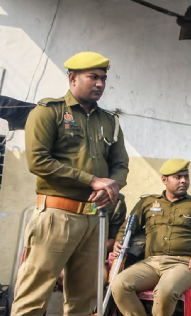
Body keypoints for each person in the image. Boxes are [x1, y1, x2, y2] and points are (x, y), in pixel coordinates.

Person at [12, 52, 129, 316]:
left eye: (103, 78)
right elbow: (39, 161)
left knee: (85, 302)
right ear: (73, 78)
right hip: (56, 216)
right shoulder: (48, 112)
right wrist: (93, 180)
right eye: (93, 77)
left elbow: (120, 165)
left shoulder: (109, 122)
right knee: (33, 297)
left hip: (94, 220)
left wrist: (112, 187)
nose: (100, 83)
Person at [110, 159, 191, 316]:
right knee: (119, 285)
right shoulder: (147, 202)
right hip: (150, 263)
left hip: (181, 265)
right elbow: (128, 227)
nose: (183, 181)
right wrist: (119, 240)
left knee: (164, 292)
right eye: (178, 177)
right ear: (164, 180)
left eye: (186, 177)